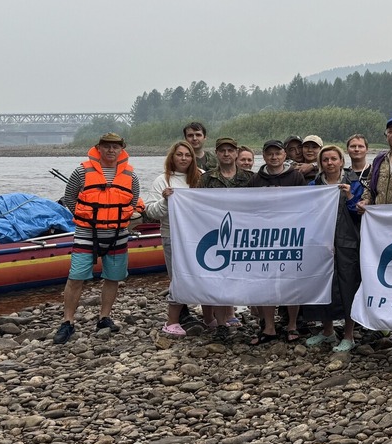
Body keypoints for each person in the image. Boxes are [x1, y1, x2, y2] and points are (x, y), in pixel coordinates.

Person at [53, 132, 142, 344]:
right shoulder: (82, 171)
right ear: (99, 148)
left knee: (113, 277)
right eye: (107, 146)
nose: (111, 150)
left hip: (117, 234)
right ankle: (68, 322)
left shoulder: (131, 176)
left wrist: (121, 220)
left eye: (115, 146)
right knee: (76, 277)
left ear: (122, 149)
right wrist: (83, 217)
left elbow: (133, 201)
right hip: (87, 233)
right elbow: (69, 196)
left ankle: (104, 317)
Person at [247, 139, 308, 344]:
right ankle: (269, 327)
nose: (274, 157)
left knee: (291, 281)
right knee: (266, 282)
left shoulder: (297, 176)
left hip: (290, 236)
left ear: (284, 155)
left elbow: (306, 203)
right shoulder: (256, 179)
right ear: (264, 156)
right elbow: (247, 207)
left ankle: (292, 325)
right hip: (265, 238)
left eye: (278, 153)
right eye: (269, 154)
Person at [307, 144, 363, 352]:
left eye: (334, 159)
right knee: (323, 285)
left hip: (347, 243)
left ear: (341, 161)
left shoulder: (354, 184)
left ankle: (349, 334)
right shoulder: (314, 186)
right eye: (325, 160)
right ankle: (327, 330)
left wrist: (349, 196)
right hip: (321, 243)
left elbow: (359, 213)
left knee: (349, 285)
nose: (330, 163)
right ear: (321, 163)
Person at [143, 141, 202, 336]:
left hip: (197, 235)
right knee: (178, 277)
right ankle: (172, 321)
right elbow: (151, 211)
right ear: (172, 157)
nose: (184, 158)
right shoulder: (162, 180)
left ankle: (209, 316)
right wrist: (164, 200)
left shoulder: (201, 176)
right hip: (173, 235)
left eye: (188, 155)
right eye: (180, 154)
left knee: (202, 274)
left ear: (193, 158)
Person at [198, 137, 253, 333]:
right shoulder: (207, 178)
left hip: (243, 234)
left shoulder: (249, 178)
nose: (227, 153)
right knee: (219, 276)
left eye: (231, 150)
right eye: (223, 150)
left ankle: (252, 313)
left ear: (237, 153)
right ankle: (221, 323)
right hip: (216, 233)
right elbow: (196, 204)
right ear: (217, 153)